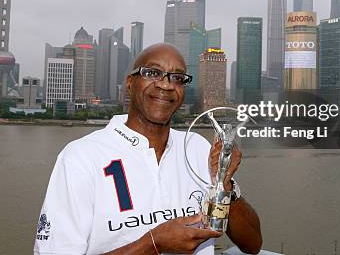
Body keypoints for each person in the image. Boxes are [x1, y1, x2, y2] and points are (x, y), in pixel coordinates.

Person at [34, 43, 262, 254]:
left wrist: (225, 185)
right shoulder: (81, 157)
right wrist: (154, 242)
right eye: (152, 73)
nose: (166, 84)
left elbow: (252, 244)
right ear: (130, 83)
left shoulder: (197, 148)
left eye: (178, 77)